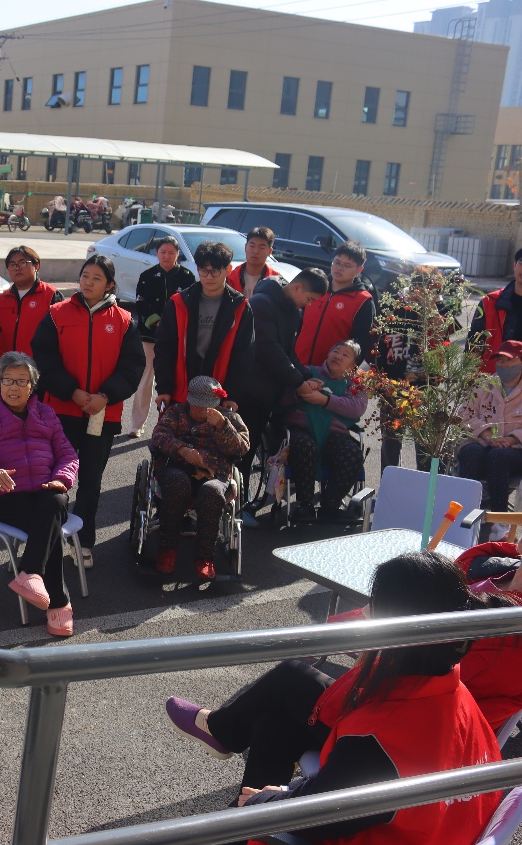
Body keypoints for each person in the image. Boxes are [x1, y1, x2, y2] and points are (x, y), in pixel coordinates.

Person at [164, 552, 508, 844]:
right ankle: (238, 826)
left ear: (395, 627)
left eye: (375, 605)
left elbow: (314, 819)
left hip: (377, 827)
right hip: (438, 825)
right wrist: (278, 799)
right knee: (277, 721)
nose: (366, 612)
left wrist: (264, 803)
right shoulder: (453, 689)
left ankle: (238, 816)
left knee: (279, 714)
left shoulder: (379, 741)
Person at [32, 254, 143, 567]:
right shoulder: (56, 313)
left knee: (91, 482)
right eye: (85, 276)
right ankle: (49, 537)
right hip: (61, 411)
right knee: (55, 479)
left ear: (110, 284)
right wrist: (72, 391)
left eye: (97, 278)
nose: (88, 282)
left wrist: (105, 396)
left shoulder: (124, 320)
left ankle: (82, 541)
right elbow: (44, 359)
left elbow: (132, 367)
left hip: (102, 415)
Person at [0, 351, 79, 636]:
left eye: (21, 381)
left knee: (55, 501)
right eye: (8, 380)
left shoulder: (46, 413)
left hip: (46, 492)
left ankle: (30, 573)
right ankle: (58, 601)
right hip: (8, 496)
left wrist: (61, 478)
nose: (13, 387)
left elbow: (67, 454)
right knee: (50, 522)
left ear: (32, 386)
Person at [235, 268, 327, 519]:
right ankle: (237, 509)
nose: (309, 305)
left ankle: (245, 504)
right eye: (309, 299)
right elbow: (268, 350)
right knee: (242, 451)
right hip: (249, 391)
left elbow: (288, 352)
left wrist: (306, 377)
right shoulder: (262, 304)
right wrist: (298, 381)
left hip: (269, 392)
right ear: (297, 287)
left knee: (255, 450)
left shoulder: (293, 310)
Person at [149, 375, 250, 581]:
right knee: (177, 482)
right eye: (199, 406)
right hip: (177, 467)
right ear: (190, 400)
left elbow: (242, 448)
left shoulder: (229, 418)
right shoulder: (176, 413)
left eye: (208, 407)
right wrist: (182, 450)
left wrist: (223, 426)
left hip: (215, 473)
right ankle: (167, 550)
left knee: (212, 492)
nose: (204, 411)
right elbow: (159, 436)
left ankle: (204, 558)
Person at [154, 241, 254, 411]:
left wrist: (232, 395)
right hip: (181, 390)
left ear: (228, 270)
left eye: (215, 271)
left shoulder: (240, 307)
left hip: (218, 393)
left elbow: (243, 355)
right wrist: (164, 388)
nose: (209, 277)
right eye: (204, 270)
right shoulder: (178, 303)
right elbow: (164, 348)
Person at [283, 339, 367, 523]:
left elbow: (357, 408)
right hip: (303, 429)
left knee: (352, 454)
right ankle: (305, 504)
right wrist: (301, 391)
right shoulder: (307, 372)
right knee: (304, 446)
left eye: (345, 355)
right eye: (336, 351)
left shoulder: (355, 384)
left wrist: (325, 400)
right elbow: (283, 398)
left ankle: (330, 505)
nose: (338, 356)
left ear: (353, 365)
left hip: (334, 434)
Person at [131, 237, 196, 438]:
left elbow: (192, 305)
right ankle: (136, 424)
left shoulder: (187, 277)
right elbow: (141, 302)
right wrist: (157, 322)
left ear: (178, 254)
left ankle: (173, 424)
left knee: (176, 379)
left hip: (178, 335)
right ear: (156, 253)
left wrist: (173, 324)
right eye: (162, 252)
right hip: (149, 335)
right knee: (145, 379)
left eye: (171, 253)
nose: (166, 256)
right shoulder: (147, 276)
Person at [457, 339, 522, 520]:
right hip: (482, 441)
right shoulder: (484, 385)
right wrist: (486, 434)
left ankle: (499, 520)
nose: (504, 365)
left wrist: (512, 439)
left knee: (498, 457)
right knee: (470, 452)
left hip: (515, 449)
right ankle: (461, 514)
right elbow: (464, 414)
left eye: (509, 360)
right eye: (500, 360)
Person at [296, 240, 376, 367]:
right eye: (337, 262)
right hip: (297, 363)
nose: (339, 268)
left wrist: (342, 372)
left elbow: (361, 345)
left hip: (330, 371)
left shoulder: (362, 301)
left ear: (359, 269)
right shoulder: (315, 287)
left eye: (347, 265)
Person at [0, 245, 62, 361]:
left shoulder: (51, 295)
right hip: (7, 367)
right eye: (12, 265)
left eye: (22, 263)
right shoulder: (1, 299)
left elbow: (61, 337)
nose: (17, 268)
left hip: (39, 367)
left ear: (36, 266)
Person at [469, 247, 522, 372]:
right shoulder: (490, 301)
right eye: (521, 263)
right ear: (514, 265)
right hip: (492, 376)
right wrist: (470, 376)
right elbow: (474, 344)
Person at [226, 226, 280, 298]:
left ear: (270, 251)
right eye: (252, 246)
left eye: (261, 247)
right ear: (245, 247)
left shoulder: (276, 281)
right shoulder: (230, 277)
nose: (255, 251)